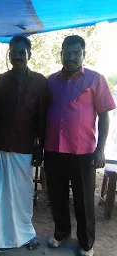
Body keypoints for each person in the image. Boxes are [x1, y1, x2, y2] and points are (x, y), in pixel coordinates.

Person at [44, 35, 116, 256]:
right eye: (67, 52)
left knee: (83, 200)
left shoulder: (96, 79)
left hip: (83, 152)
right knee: (56, 196)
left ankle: (86, 242)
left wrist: (100, 148)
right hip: (54, 149)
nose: (71, 56)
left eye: (76, 52)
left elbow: (104, 116)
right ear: (61, 54)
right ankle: (61, 232)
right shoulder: (51, 81)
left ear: (83, 54)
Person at [0, 36, 49, 253]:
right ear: (10, 54)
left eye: (22, 52)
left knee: (23, 194)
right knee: (1, 194)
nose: (18, 56)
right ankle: (0, 237)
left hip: (26, 148)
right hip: (3, 145)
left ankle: (26, 233)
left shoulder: (40, 82)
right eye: (14, 51)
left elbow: (42, 118)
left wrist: (40, 151)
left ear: (29, 54)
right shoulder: (0, 81)